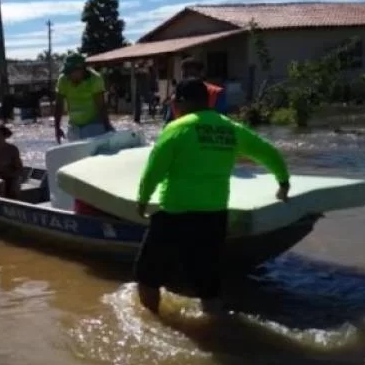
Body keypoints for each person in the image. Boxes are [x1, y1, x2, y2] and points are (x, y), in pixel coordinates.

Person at [134, 78, 291, 315]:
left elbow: (154, 169)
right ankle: (217, 329)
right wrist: (283, 182)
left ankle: (151, 324)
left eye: (174, 101)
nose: (173, 106)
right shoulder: (230, 127)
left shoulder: (177, 128)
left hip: (175, 214)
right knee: (208, 285)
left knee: (147, 277)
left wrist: (142, 200)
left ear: (181, 102)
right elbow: (268, 153)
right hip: (214, 217)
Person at [54, 53, 113, 143]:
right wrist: (57, 128)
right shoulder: (63, 80)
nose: (68, 76)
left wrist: (107, 126)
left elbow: (101, 106)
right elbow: (58, 105)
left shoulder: (95, 79)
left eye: (70, 72)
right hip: (74, 125)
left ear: (81, 69)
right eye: (67, 73)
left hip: (94, 123)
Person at [164, 58, 227, 124]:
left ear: (202, 73)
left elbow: (168, 123)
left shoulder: (216, 92)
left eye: (191, 75)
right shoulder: (177, 92)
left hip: (190, 130)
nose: (189, 79)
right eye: (185, 75)